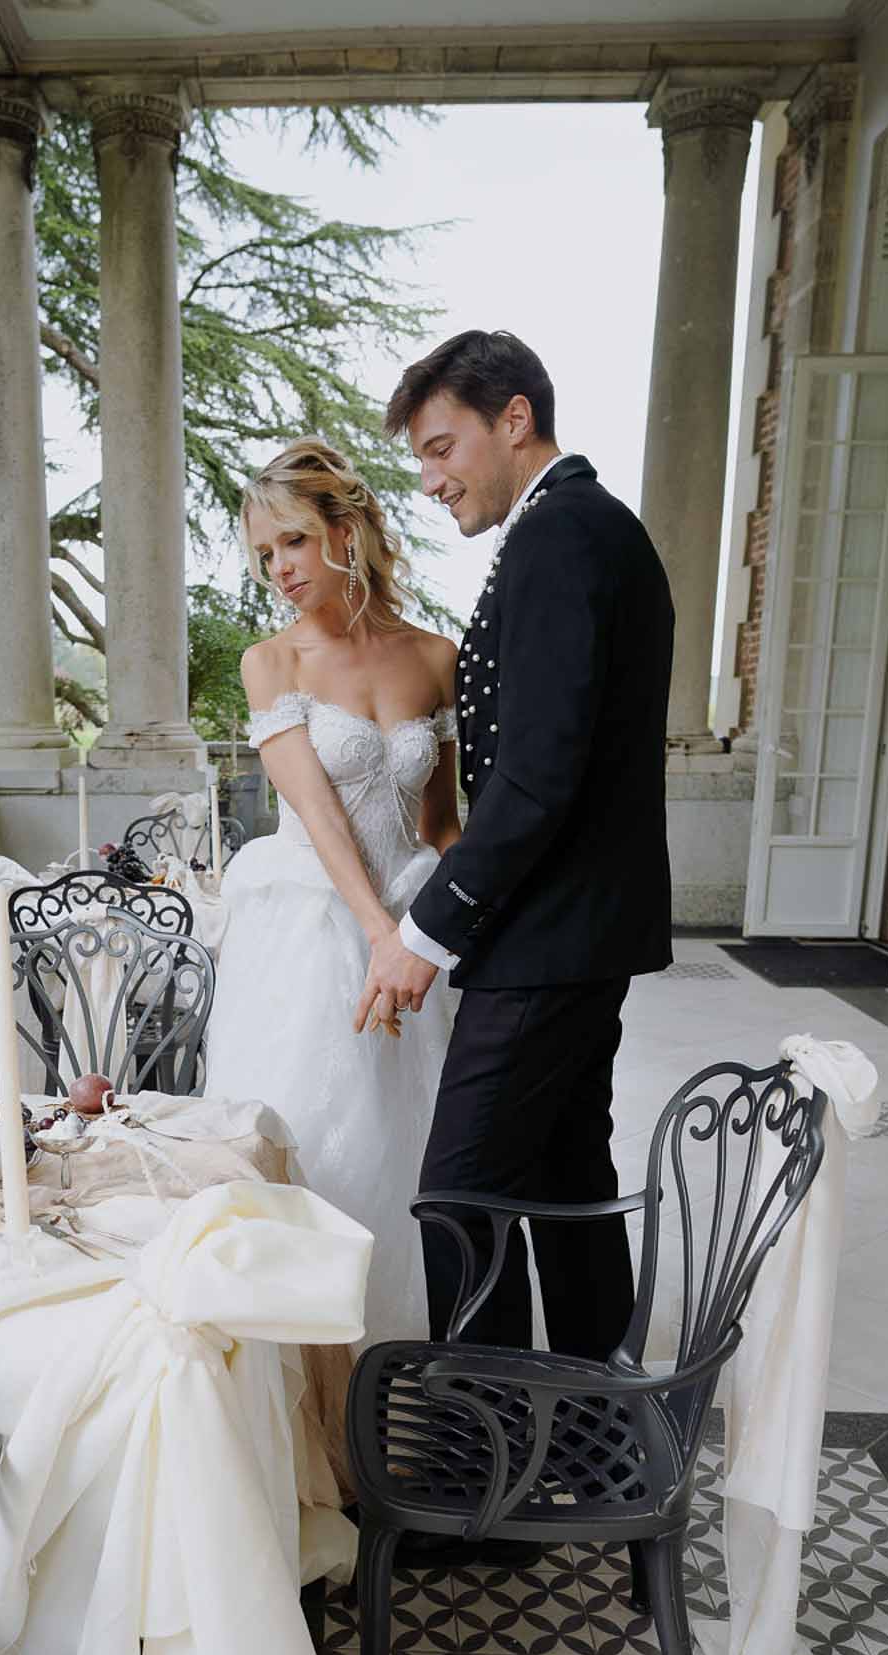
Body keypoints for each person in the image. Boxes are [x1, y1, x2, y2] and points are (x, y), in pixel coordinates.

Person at [357, 328, 674, 1359]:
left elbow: (537, 777)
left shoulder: (562, 537)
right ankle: (592, 1413)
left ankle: (478, 1475)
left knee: (458, 1197)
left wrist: (428, 928)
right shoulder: (576, 528)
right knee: (563, 1175)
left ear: (515, 419)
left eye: (443, 448)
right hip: (571, 934)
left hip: (547, 939)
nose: (432, 479)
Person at [204, 438, 460, 1346]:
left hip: (417, 937)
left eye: (292, 543)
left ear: (344, 530)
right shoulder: (273, 664)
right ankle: (306, 1378)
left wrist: (435, 935)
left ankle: (406, 1360)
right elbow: (317, 815)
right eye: (264, 553)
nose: (277, 570)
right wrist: (377, 934)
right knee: (321, 1141)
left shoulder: (435, 656)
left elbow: (442, 826)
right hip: (315, 932)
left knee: (414, 1146)